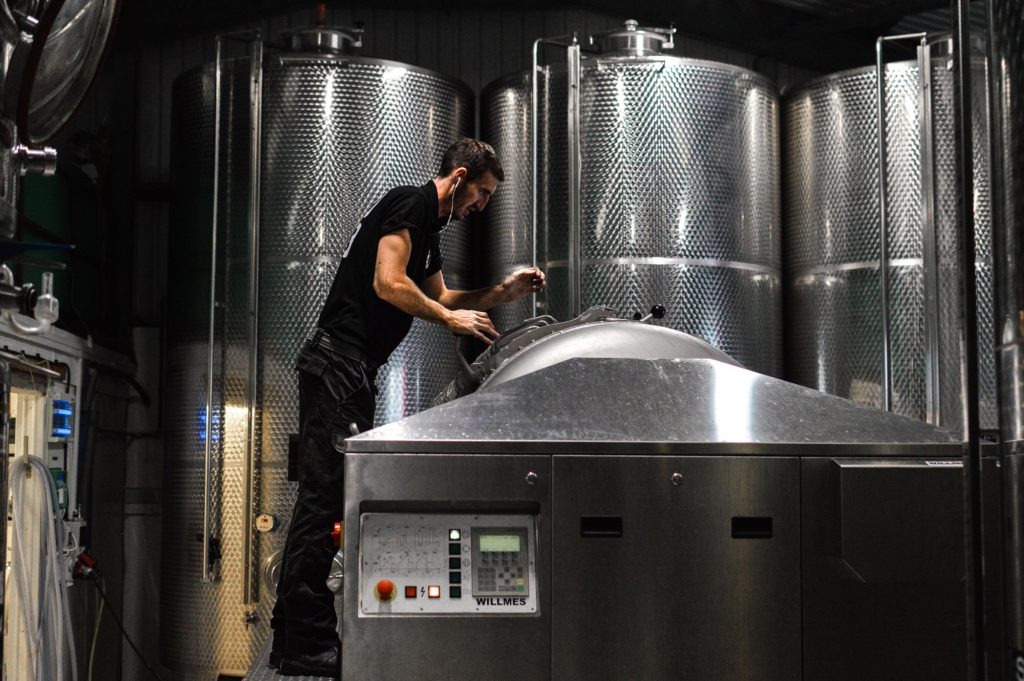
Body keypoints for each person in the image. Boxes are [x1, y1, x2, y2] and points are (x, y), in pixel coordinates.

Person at [270, 138, 546, 678]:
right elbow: (387, 283)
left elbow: (441, 297)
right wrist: (450, 325)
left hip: (353, 371)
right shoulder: (411, 204)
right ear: (460, 175)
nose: (481, 207)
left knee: (329, 500)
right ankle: (301, 642)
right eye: (482, 194)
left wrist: (502, 293)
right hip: (338, 364)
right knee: (322, 501)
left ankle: (299, 639)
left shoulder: (431, 229)